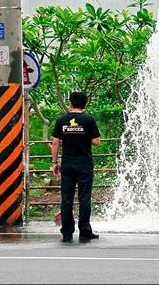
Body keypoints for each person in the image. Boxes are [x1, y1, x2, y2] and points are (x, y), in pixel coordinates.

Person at [51, 91, 101, 243]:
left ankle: (67, 232)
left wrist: (54, 163)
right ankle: (85, 231)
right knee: (84, 198)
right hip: (84, 164)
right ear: (84, 105)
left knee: (67, 198)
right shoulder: (89, 120)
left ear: (70, 103)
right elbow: (96, 142)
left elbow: (55, 143)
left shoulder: (61, 120)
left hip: (67, 164)